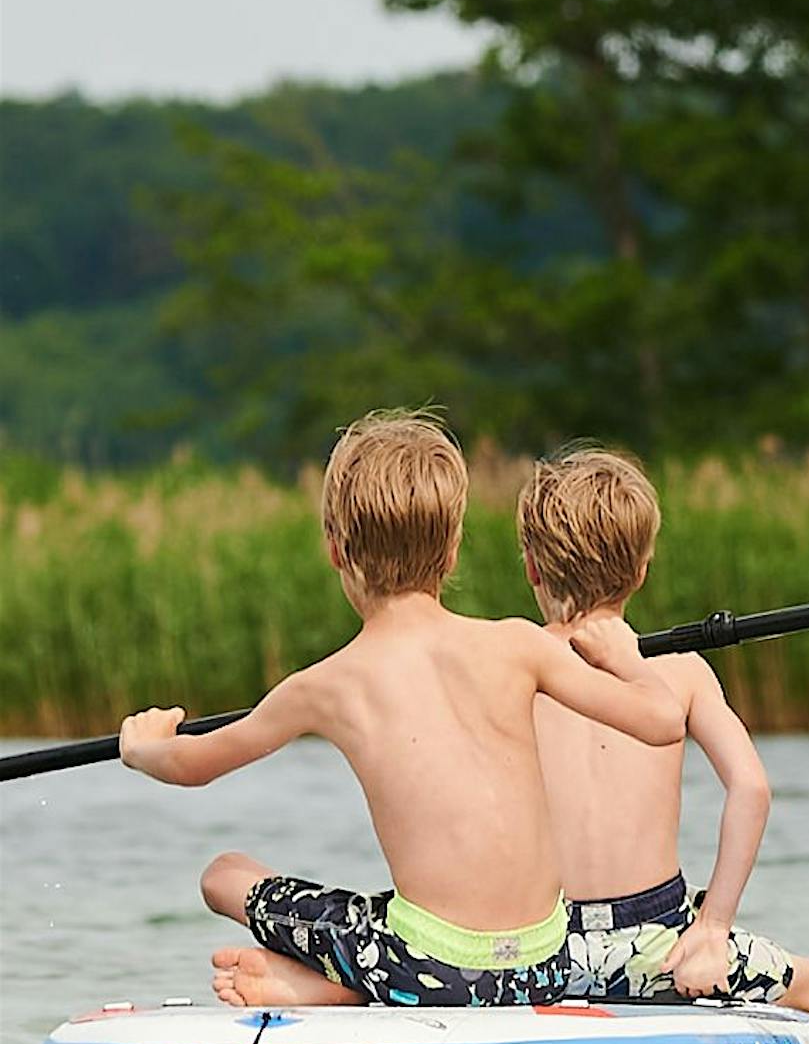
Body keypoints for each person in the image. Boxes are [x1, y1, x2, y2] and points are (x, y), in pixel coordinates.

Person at [116, 410, 685, 1008]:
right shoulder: (520, 643)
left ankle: (337, 987)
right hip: (544, 964)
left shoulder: (328, 684)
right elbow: (664, 720)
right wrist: (628, 657)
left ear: (336, 551)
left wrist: (144, 746)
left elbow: (192, 765)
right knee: (405, 918)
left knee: (225, 874)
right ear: (453, 550)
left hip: (432, 968)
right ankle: (354, 983)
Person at [516, 447, 809, 1044]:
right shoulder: (680, 673)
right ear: (642, 569)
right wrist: (711, 928)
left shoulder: (511, 670)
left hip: (537, 950)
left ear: (530, 567)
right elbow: (752, 789)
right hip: (661, 949)